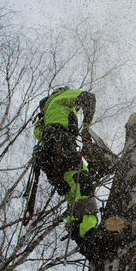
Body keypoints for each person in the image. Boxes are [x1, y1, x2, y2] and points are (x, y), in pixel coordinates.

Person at [33, 87, 98, 242]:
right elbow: (88, 97)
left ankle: (75, 225)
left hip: (49, 159)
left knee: (71, 189)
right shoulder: (60, 97)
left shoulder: (45, 119)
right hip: (61, 145)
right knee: (82, 181)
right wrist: (86, 128)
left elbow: (39, 134)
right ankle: (88, 227)